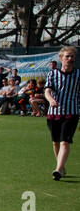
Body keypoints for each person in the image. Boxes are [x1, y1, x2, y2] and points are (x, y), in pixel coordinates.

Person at [44, 46, 78, 180]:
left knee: (65, 141)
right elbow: (47, 90)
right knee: (55, 142)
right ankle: (61, 166)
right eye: (67, 56)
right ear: (61, 58)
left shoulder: (78, 74)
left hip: (71, 112)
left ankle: (58, 169)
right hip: (54, 112)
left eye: (72, 57)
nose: (70, 59)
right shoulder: (53, 74)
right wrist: (51, 100)